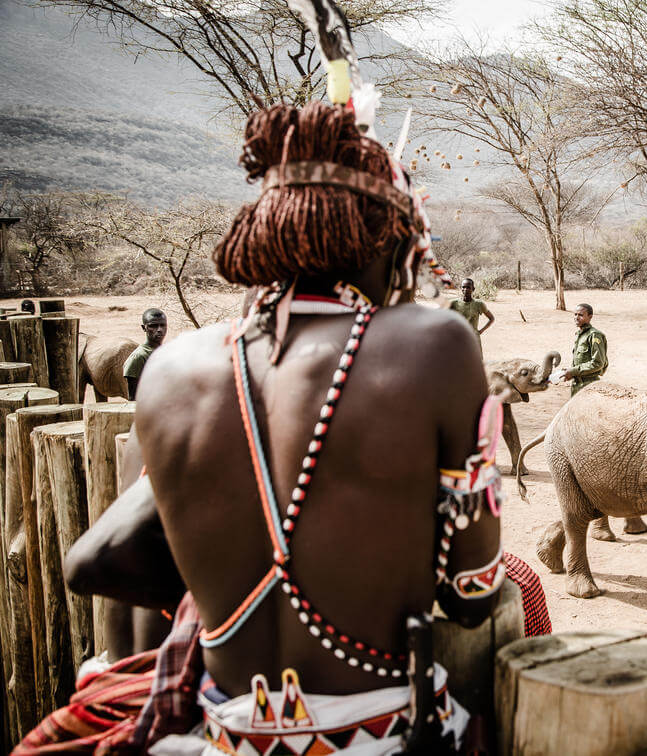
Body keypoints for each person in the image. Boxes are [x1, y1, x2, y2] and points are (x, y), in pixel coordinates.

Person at [45, 101, 501, 755]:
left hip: (225, 736)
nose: (412, 267)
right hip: (390, 737)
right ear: (382, 235)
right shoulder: (436, 344)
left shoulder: (172, 369)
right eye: (410, 244)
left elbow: (95, 559)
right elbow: (472, 596)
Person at [562, 303, 608, 396]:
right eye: (575, 314)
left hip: (589, 386)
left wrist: (573, 371)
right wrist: (570, 372)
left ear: (590, 317)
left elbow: (598, 363)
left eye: (581, 315)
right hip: (577, 385)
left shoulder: (594, 335)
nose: (576, 317)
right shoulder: (580, 334)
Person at [123, 309, 167, 400]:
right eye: (153, 326)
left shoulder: (165, 352)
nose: (159, 330)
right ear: (144, 328)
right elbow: (133, 399)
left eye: (162, 325)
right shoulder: (139, 357)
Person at [448, 278, 495, 349]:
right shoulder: (453, 303)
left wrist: (481, 331)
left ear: (473, 289)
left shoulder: (479, 304)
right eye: (463, 287)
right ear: (461, 288)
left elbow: (491, 318)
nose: (465, 289)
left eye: (468, 287)